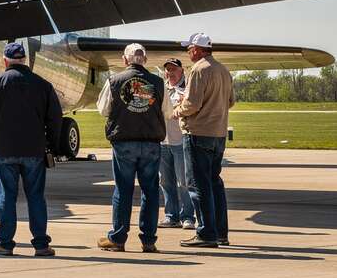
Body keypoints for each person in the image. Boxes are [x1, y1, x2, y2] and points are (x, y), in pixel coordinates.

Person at [0, 42, 62, 257]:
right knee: (36, 197)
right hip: (34, 149)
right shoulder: (43, 85)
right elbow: (55, 119)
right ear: (24, 59)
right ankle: (41, 244)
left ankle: (5, 243)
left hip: (4, 150)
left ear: (5, 60)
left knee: (6, 196)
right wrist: (51, 145)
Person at [95, 43, 166, 253]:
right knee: (150, 192)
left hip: (124, 142)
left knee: (123, 190)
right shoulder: (158, 82)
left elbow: (103, 109)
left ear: (125, 60)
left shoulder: (114, 80)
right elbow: (168, 112)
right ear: (144, 59)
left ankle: (117, 239)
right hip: (151, 143)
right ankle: (149, 240)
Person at [174, 32, 234, 248]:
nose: (188, 52)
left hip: (198, 133)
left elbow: (192, 105)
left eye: (189, 49)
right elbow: (231, 101)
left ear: (197, 50)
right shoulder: (223, 70)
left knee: (198, 185)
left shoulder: (199, 69)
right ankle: (220, 232)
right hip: (218, 134)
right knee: (215, 183)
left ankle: (206, 233)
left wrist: (176, 110)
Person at [159, 57, 195, 230]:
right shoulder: (161, 88)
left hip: (180, 141)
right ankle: (171, 216)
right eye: (167, 69)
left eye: (173, 69)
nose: (170, 72)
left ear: (181, 71)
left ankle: (188, 217)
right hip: (162, 141)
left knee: (184, 182)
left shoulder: (187, 88)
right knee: (166, 181)